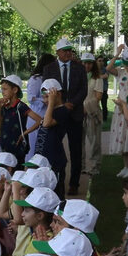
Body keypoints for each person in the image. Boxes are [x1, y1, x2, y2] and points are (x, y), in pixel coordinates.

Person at [42, 39, 87, 196]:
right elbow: (46, 89)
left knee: (76, 149)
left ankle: (74, 183)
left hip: (74, 113)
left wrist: (71, 104)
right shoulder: (49, 68)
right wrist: (59, 105)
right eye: (65, 50)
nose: (68, 53)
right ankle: (53, 177)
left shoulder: (79, 68)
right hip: (57, 112)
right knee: (53, 144)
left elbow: (83, 90)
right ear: (58, 52)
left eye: (70, 50)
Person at [82, 52, 104, 176]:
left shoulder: (97, 78)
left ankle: (94, 167)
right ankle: (81, 166)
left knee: (94, 141)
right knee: (79, 142)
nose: (86, 65)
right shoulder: (78, 76)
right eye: (84, 63)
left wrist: (85, 107)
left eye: (89, 63)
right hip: (78, 113)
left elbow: (98, 97)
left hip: (92, 113)